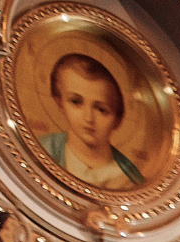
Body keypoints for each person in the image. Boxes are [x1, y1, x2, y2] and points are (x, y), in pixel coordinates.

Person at [38, 53, 143, 190]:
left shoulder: (129, 181)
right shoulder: (43, 150)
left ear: (117, 119)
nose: (88, 118)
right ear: (60, 103)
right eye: (76, 102)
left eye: (101, 109)